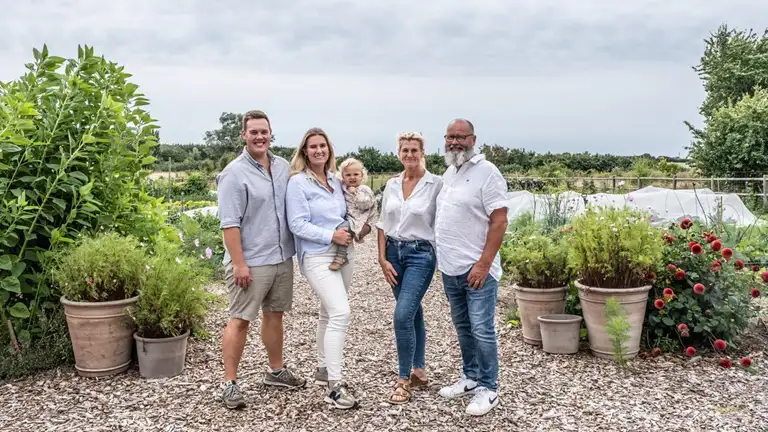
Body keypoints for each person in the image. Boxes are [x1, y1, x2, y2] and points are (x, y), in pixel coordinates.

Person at [216, 110, 306, 410]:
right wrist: (239, 263)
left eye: (264, 131)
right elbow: (229, 224)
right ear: (243, 135)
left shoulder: (282, 167)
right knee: (240, 320)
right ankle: (229, 383)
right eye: (253, 131)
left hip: (281, 257)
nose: (259, 136)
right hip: (251, 261)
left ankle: (276, 371)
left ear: (271, 133)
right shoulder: (233, 173)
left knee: (275, 314)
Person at [285, 127, 371, 410]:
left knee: (326, 311)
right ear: (305, 152)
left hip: (345, 252)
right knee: (340, 312)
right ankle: (335, 386)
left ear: (329, 150)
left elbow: (352, 210)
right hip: (317, 255)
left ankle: (323, 368)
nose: (319, 150)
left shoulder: (336, 181)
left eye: (323, 146)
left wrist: (361, 227)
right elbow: (296, 224)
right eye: (313, 147)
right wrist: (330, 235)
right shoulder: (298, 183)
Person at [434, 118, 509, 416]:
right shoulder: (451, 172)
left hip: (477, 269)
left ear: (472, 139)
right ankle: (471, 377)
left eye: (460, 137)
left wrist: (484, 263)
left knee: (482, 329)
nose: (454, 141)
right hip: (451, 268)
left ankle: (489, 388)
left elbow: (499, 220)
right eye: (450, 136)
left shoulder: (487, 172)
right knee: (463, 327)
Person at [376, 132, 443, 405]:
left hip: (420, 254)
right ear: (398, 153)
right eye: (405, 150)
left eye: (414, 150)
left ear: (422, 152)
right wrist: (382, 259)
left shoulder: (435, 184)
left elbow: (444, 222)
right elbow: (382, 223)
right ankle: (418, 368)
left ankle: (403, 380)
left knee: (402, 314)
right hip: (393, 252)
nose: (409, 155)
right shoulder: (392, 184)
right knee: (413, 311)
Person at [330, 158, 378, 271]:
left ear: (362, 176)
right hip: (350, 218)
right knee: (341, 227)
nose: (352, 177)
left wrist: (355, 193)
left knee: (343, 229)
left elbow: (367, 204)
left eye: (356, 174)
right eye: (348, 175)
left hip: (360, 219)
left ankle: (341, 256)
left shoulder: (363, 189)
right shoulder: (344, 187)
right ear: (343, 177)